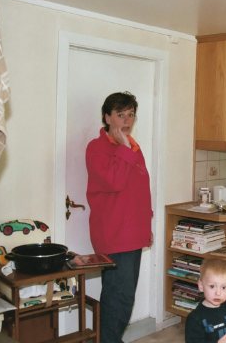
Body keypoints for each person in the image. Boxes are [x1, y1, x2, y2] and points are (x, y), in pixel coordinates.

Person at [85, 91, 153, 343]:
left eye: (131, 115)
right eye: (120, 114)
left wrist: (147, 224)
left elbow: (140, 190)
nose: (126, 120)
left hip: (133, 232)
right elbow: (113, 181)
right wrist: (124, 148)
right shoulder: (96, 148)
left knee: (122, 294)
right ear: (107, 117)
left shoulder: (134, 148)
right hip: (114, 233)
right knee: (119, 296)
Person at [185, 259, 226, 343]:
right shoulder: (195, 318)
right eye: (212, 286)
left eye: (224, 287)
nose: (218, 293)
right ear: (201, 286)